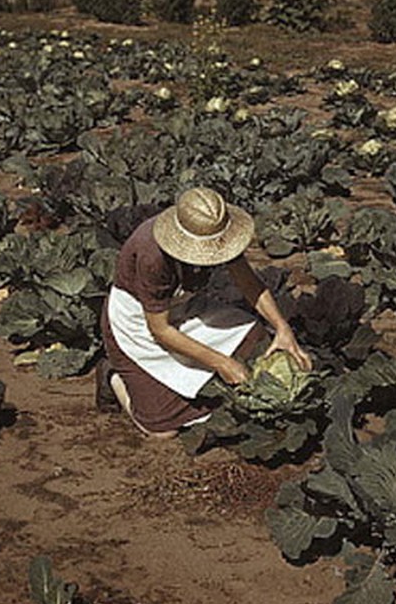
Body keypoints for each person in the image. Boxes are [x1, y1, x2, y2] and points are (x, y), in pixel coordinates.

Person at [98, 187, 313, 439]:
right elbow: (160, 330)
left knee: (258, 340)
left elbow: (248, 283)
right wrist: (222, 362)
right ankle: (113, 375)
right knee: (162, 430)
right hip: (139, 323)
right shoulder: (152, 255)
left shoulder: (216, 228)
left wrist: (282, 329)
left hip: (187, 307)